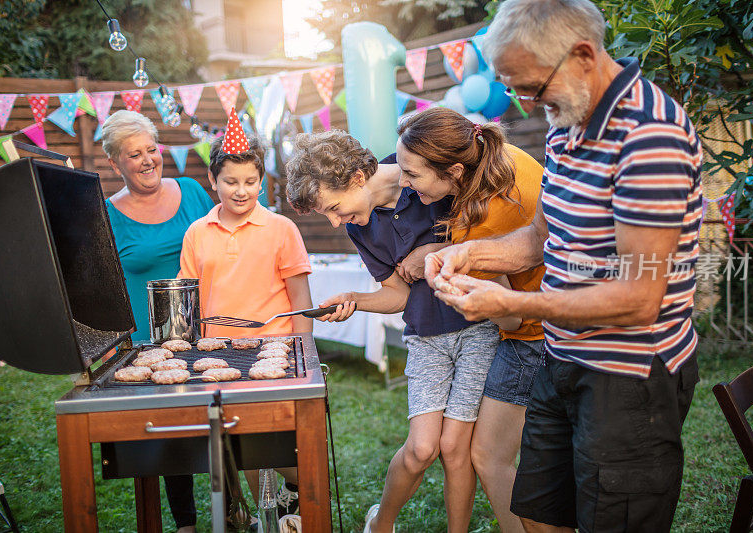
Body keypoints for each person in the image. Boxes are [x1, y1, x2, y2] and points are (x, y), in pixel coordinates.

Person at [424, 0, 703, 531]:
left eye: (530, 86)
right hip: (562, 358)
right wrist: (467, 253)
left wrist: (511, 303)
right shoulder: (565, 122)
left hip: (629, 375)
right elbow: (537, 241)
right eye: (513, 88)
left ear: (582, 55)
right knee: (539, 515)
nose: (524, 102)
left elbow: (638, 296)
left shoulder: (649, 136)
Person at [285, 130, 500, 533]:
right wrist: (354, 300)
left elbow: (486, 236)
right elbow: (397, 295)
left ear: (354, 178)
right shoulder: (359, 226)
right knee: (421, 448)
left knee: (455, 448)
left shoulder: (422, 172)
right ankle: (381, 523)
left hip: (477, 328)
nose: (334, 222)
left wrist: (433, 252)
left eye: (334, 208)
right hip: (425, 336)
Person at [395, 106, 546, 533]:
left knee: (489, 455)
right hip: (562, 319)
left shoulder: (473, 225)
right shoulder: (505, 156)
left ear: (456, 170)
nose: (404, 183)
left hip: (532, 337)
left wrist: (464, 294)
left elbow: (513, 318)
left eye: (412, 174)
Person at [179, 131, 312, 523]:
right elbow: (189, 300)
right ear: (212, 179)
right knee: (239, 446)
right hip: (218, 357)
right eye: (231, 182)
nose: (241, 191)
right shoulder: (197, 233)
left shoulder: (281, 229)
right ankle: (267, 518)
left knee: (277, 446)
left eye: (250, 182)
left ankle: (301, 493)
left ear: (262, 179)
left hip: (275, 354)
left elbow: (301, 299)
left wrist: (303, 359)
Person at [102, 109, 214, 533]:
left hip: (208, 330)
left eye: (152, 149)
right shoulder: (108, 215)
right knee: (169, 429)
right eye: (134, 154)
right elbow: (102, 283)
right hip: (147, 343)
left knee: (228, 418)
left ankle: (241, 500)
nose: (148, 160)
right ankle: (185, 523)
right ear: (115, 163)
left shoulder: (191, 190)